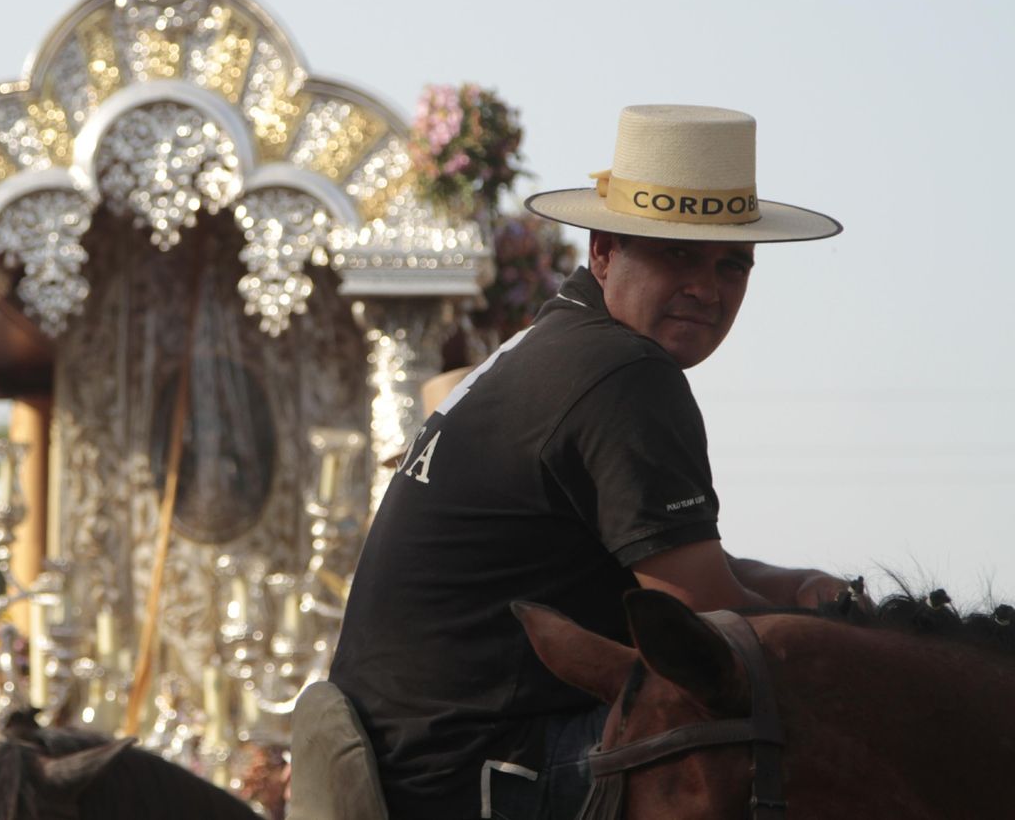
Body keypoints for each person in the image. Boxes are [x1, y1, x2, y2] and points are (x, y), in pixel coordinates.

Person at [329, 105, 850, 820]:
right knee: (837, 733)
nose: (708, 287)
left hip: (415, 756)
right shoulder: (623, 371)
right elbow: (696, 607)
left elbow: (672, 567)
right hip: (474, 774)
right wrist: (859, 649)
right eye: (677, 254)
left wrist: (802, 588)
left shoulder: (553, 343)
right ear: (604, 252)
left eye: (733, 263)